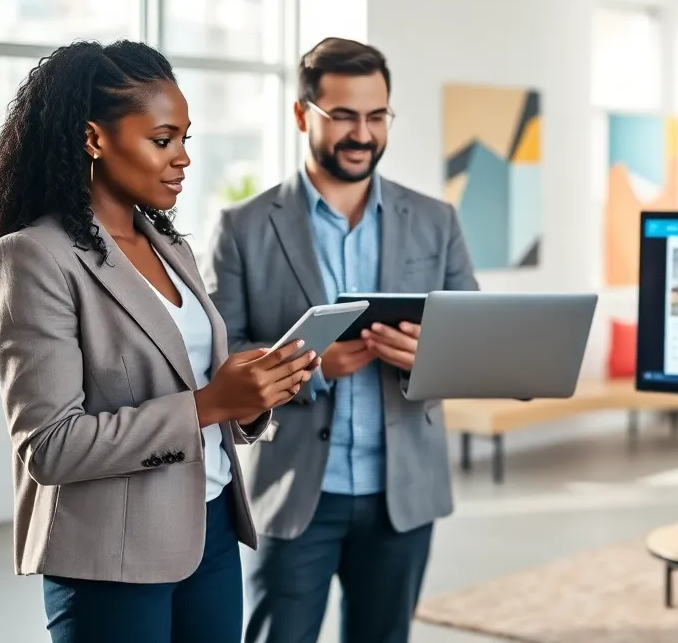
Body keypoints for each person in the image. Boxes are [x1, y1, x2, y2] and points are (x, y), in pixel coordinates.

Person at [0, 40, 321, 643]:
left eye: (185, 138)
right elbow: (50, 447)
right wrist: (209, 404)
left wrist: (250, 396)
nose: (182, 158)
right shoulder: (32, 257)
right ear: (94, 139)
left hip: (210, 529)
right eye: (162, 140)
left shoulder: (172, 248)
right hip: (111, 555)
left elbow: (197, 392)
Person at [204, 37, 479, 643]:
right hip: (294, 489)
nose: (362, 133)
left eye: (377, 116)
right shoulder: (242, 227)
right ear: (302, 115)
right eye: (344, 116)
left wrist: (429, 358)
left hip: (403, 494)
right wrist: (313, 366)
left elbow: (472, 342)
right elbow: (219, 359)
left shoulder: (436, 220)